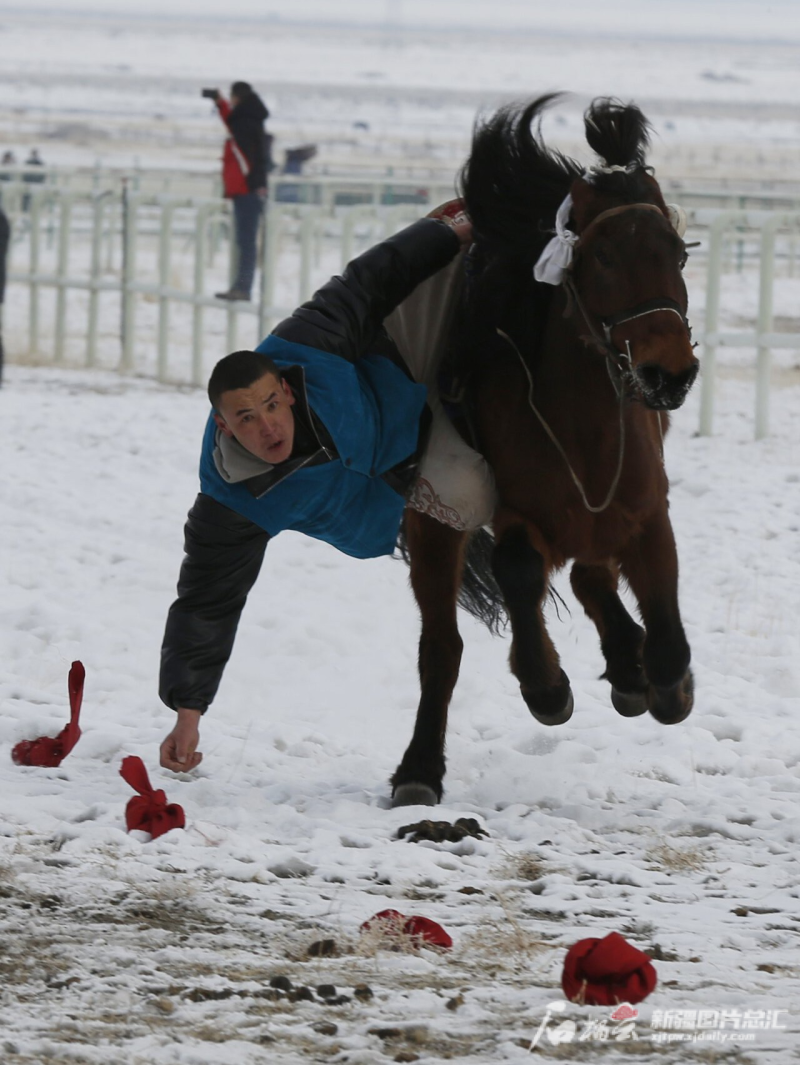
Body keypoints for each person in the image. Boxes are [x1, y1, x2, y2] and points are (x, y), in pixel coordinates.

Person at [158, 204, 496, 772]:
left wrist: (446, 233)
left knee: (475, 289)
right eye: (245, 419)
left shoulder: (307, 346)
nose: (266, 427)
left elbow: (368, 280)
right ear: (224, 425)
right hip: (390, 513)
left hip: (405, 403)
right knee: (472, 511)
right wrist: (187, 712)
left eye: (271, 405)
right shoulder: (232, 499)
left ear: (286, 390)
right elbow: (207, 602)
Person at [207, 82, 270, 302]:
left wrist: (247, 182)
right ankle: (241, 287)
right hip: (247, 189)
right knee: (245, 241)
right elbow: (232, 123)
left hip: (247, 190)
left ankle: (243, 288)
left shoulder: (244, 123)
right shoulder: (248, 119)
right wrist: (220, 103)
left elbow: (246, 157)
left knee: (246, 241)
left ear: (238, 98)